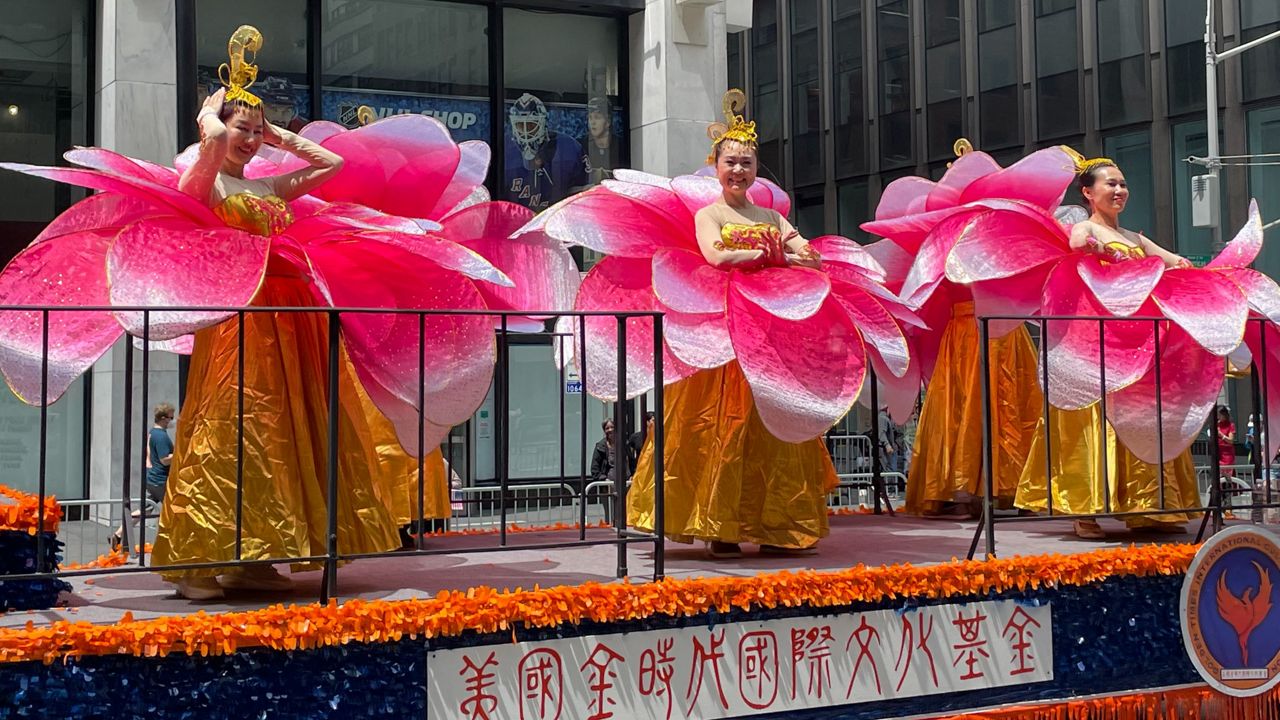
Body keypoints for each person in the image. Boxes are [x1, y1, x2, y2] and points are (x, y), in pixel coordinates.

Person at [149, 26, 402, 600]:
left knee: (278, 436)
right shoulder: (206, 182)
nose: (250, 140)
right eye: (245, 130)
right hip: (241, 326)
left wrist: (278, 136)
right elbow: (211, 150)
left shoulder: (267, 188)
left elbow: (330, 164)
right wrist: (212, 120)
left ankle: (255, 555)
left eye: (256, 133)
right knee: (230, 429)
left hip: (291, 328)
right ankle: (199, 560)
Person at [1014, 155, 1202, 539]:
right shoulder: (1083, 227)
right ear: (1088, 192)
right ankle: (1085, 510)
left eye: (1122, 184)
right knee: (1095, 422)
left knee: (1143, 419)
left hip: (1138, 346)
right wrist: (1103, 251)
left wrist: (1198, 269)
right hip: (1097, 346)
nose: (1119, 191)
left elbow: (1172, 261)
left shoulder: (1135, 238)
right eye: (1110, 184)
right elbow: (1078, 244)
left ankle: (1147, 507)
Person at [109, 403, 176, 552]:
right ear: (164, 419)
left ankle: (118, 535)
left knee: (145, 510)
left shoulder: (153, 432)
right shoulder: (161, 436)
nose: (173, 421)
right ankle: (170, 545)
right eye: (171, 417)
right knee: (175, 510)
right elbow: (165, 459)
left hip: (152, 479)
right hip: (160, 480)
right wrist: (181, 452)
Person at [504, 93, 586, 211]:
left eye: (531, 125)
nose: (526, 132)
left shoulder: (568, 147)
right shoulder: (504, 150)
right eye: (521, 125)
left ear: (542, 123)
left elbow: (581, 192)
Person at [579, 96, 618, 188]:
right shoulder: (580, 147)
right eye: (590, 117)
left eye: (597, 117)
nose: (592, 122)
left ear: (608, 121)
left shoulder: (621, 147)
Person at [590, 419, 617, 484]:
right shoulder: (600, 447)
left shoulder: (624, 444)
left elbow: (632, 463)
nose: (610, 430)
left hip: (626, 484)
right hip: (608, 486)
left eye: (612, 427)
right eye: (607, 428)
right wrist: (604, 480)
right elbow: (594, 469)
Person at [628, 411, 655, 476]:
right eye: (653, 420)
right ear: (647, 422)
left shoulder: (659, 437)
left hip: (653, 469)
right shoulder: (635, 437)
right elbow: (630, 455)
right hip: (640, 469)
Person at [1217, 407, 1237, 477]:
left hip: (1227, 453)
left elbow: (1231, 441)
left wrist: (1221, 435)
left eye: (1220, 415)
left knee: (1227, 474)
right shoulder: (1217, 425)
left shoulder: (1230, 425)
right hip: (1219, 453)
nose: (1218, 417)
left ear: (1225, 415)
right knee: (1219, 474)